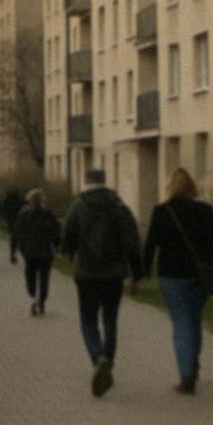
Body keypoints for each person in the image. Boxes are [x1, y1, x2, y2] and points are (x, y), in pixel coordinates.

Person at [139, 167, 213, 395]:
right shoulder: (205, 211)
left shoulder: (162, 211)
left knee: (181, 323)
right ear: (192, 188)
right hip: (200, 276)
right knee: (194, 321)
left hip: (171, 275)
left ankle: (187, 375)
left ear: (170, 187)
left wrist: (143, 270)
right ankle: (193, 369)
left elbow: (151, 244)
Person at [60, 168, 141, 397]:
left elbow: (67, 238)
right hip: (114, 274)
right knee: (110, 319)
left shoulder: (78, 206)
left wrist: (68, 251)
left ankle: (98, 358)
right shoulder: (119, 207)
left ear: (86, 182)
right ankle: (108, 359)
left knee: (88, 321)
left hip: (86, 273)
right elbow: (132, 242)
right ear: (105, 182)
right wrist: (137, 273)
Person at [13, 188, 61, 316]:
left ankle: (33, 297)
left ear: (29, 200)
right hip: (46, 251)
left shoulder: (24, 214)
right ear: (42, 200)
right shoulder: (48, 213)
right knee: (44, 278)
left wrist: (16, 250)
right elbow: (57, 230)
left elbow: (17, 233)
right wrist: (57, 245)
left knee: (30, 276)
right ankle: (42, 300)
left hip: (30, 252)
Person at [0, 187, 26, 264]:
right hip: (19, 221)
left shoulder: (7, 200)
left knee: (13, 238)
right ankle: (22, 254)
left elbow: (3, 210)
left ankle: (13, 254)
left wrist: (5, 218)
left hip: (10, 221)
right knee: (20, 238)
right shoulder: (20, 201)